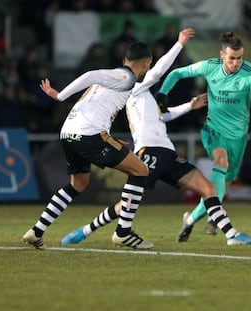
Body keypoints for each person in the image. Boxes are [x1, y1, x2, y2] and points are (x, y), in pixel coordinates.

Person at [61, 28, 251, 246]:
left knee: (208, 189)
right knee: (127, 203)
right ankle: (86, 230)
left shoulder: (144, 96)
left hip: (167, 152)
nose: (145, 69)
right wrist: (179, 43)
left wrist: (189, 105)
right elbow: (159, 72)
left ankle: (232, 236)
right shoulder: (134, 86)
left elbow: (161, 117)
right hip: (149, 150)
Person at [21, 39, 154, 250]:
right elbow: (91, 74)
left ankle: (36, 231)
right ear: (147, 64)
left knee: (78, 184)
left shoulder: (115, 79)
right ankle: (123, 232)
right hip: (89, 134)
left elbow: (97, 106)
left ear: (125, 59)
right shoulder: (126, 76)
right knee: (141, 170)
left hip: (69, 132)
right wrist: (60, 95)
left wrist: (107, 136)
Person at [156, 31, 251, 241]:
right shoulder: (208, 66)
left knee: (220, 189)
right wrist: (163, 94)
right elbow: (176, 74)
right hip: (213, 130)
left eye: (239, 58)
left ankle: (190, 221)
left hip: (238, 137)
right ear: (222, 55)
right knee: (221, 161)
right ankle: (229, 232)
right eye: (232, 58)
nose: (236, 63)